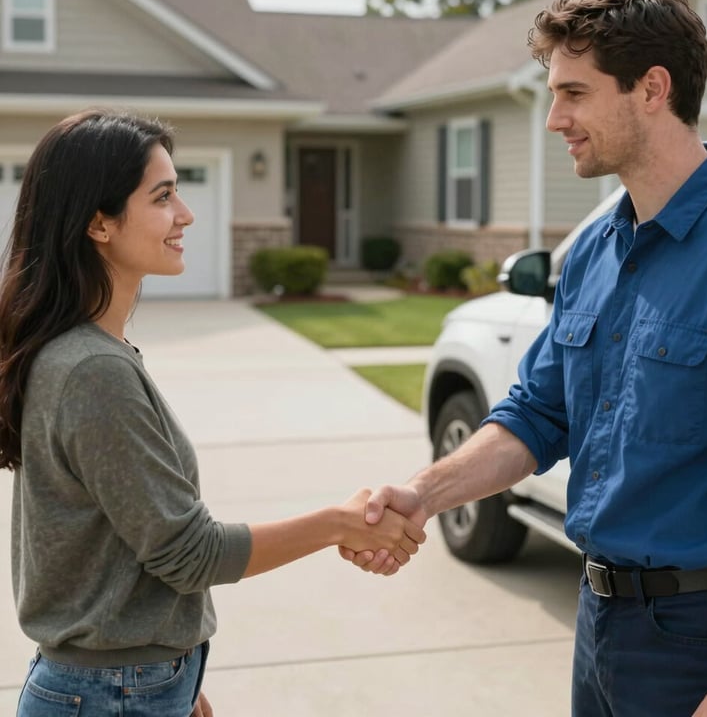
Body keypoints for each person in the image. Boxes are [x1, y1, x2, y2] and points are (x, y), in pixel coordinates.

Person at [341, 0, 707, 717]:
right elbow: (540, 413)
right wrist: (423, 493)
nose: (553, 119)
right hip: (600, 623)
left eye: (574, 92)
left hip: (705, 643)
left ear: (651, 89)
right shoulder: (598, 247)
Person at [0, 109, 426, 717]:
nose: (186, 214)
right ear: (100, 222)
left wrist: (174, 672)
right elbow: (188, 553)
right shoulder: (91, 370)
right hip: (110, 693)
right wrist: (340, 521)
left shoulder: (92, 353)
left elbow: (114, 547)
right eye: (163, 196)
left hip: (127, 684)